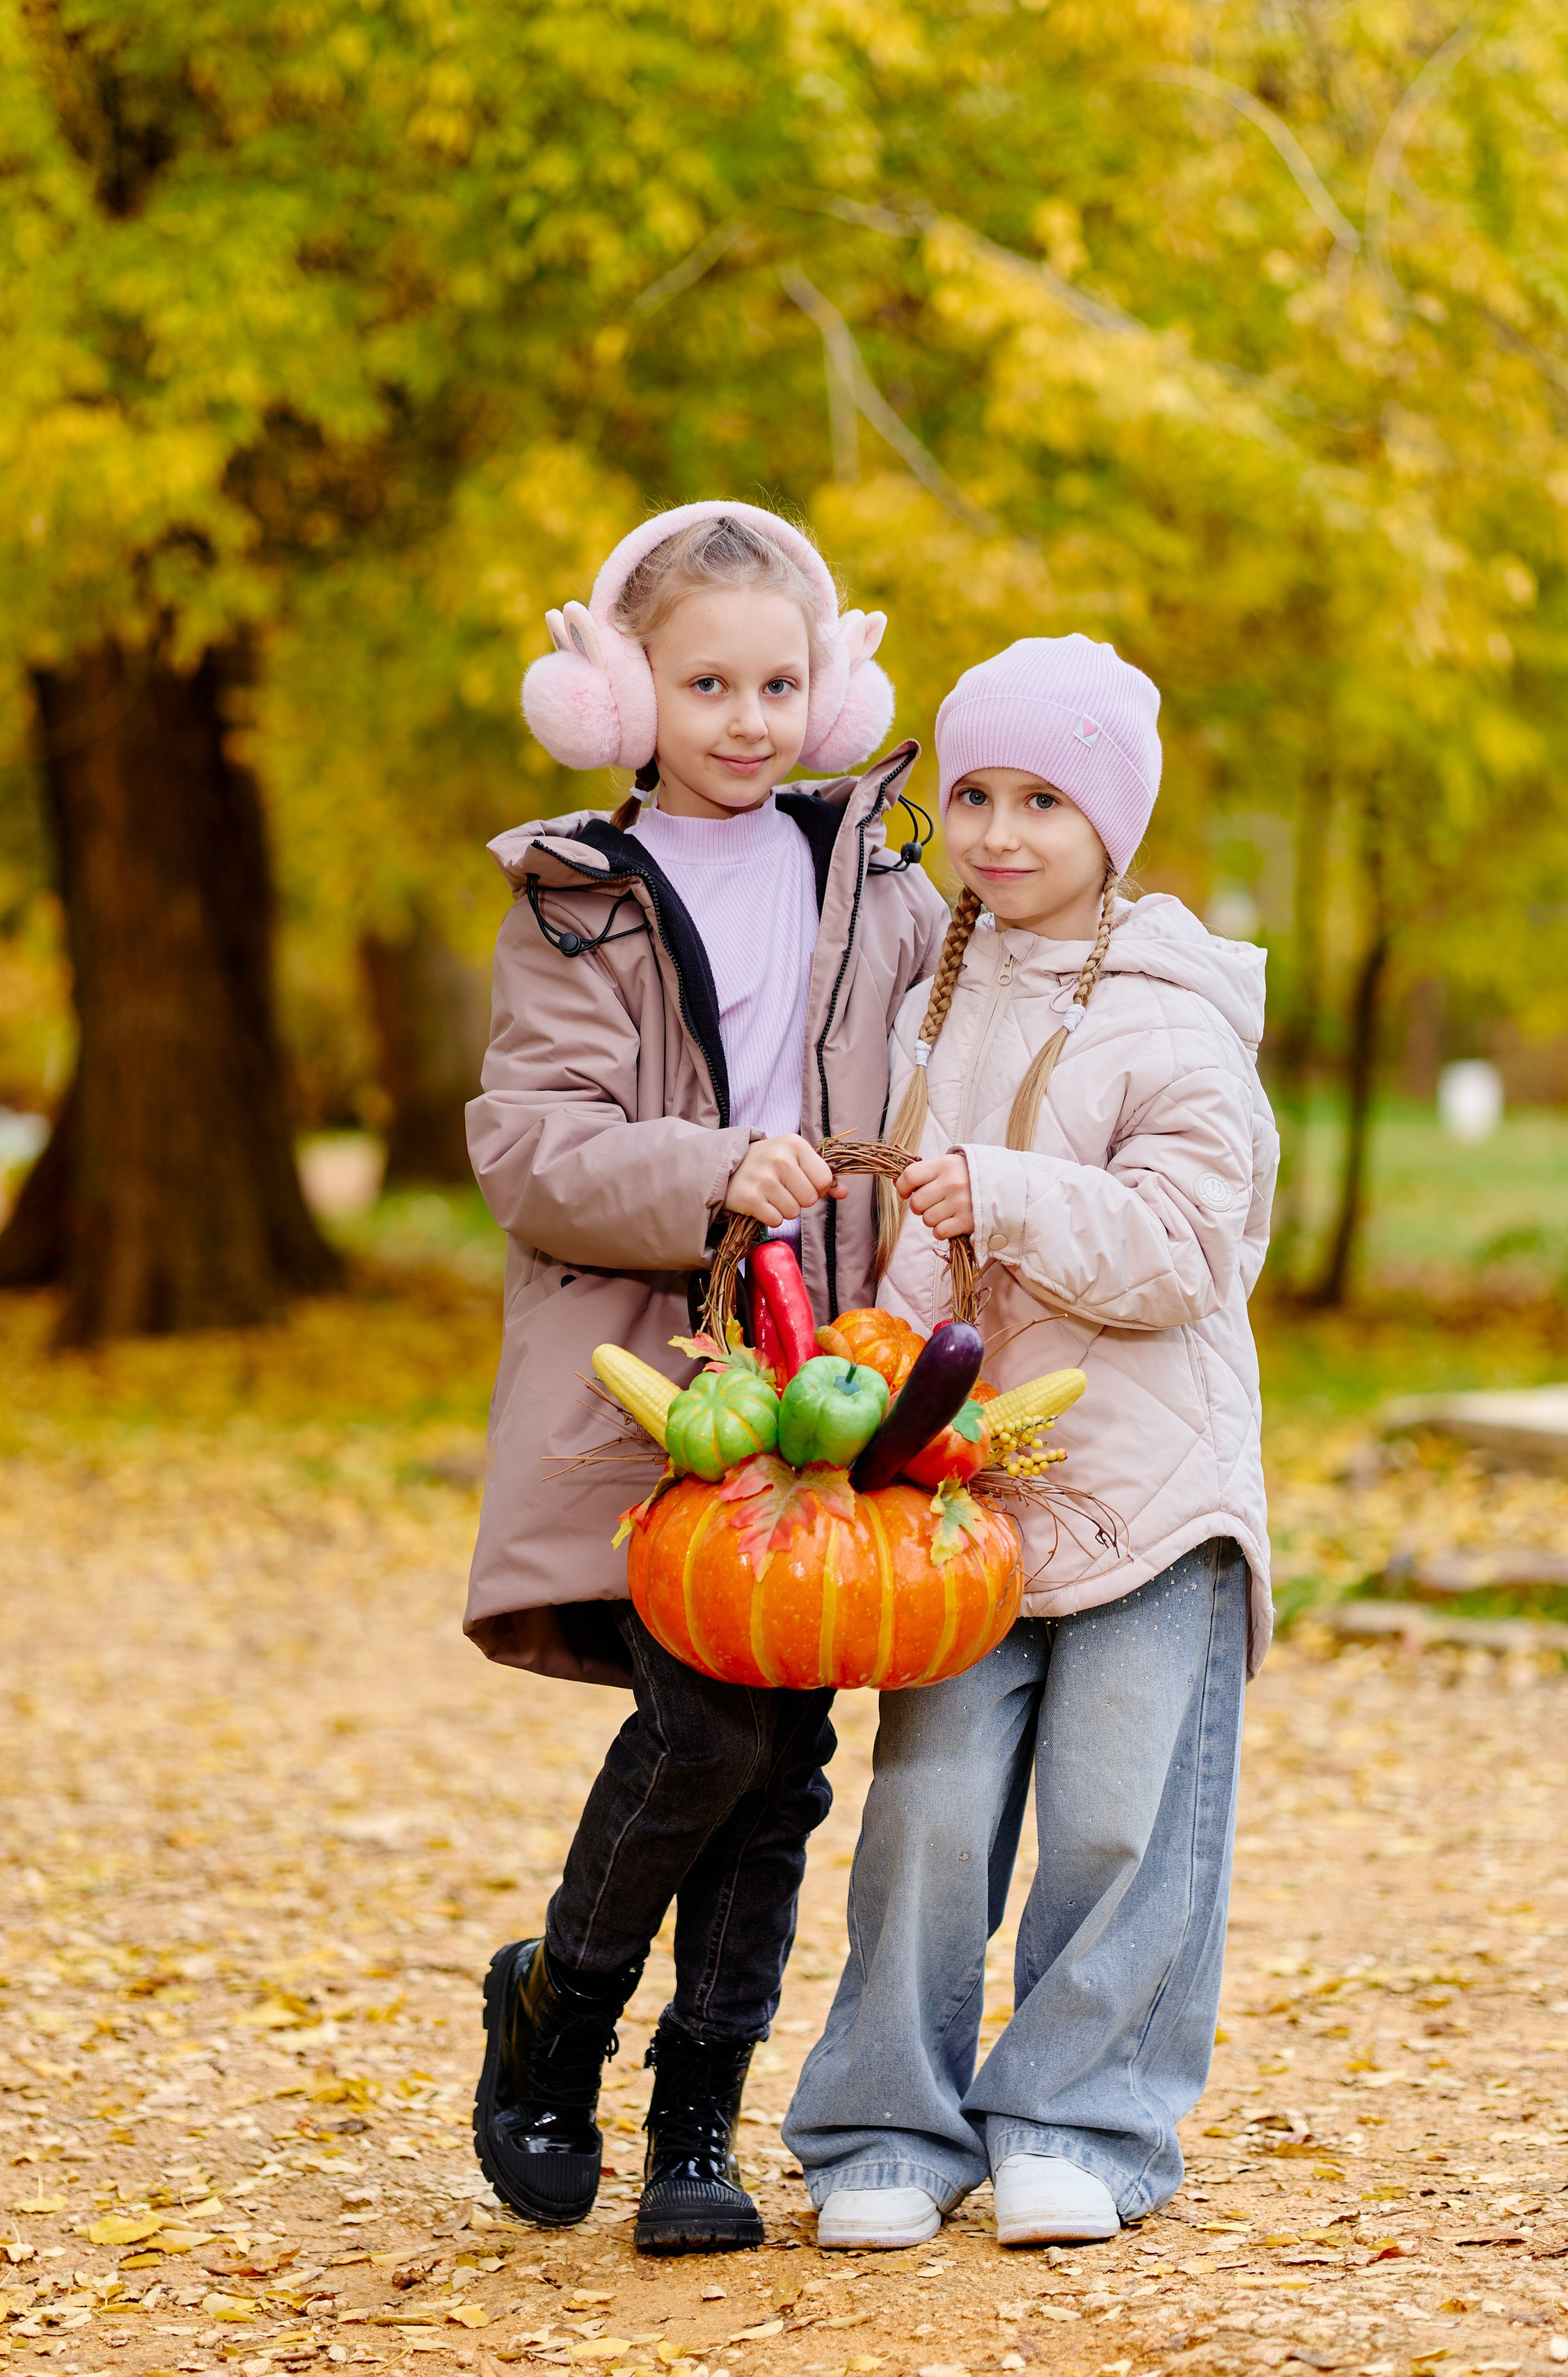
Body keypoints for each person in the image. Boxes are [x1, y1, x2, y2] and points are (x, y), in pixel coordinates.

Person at [464, 503, 944, 2257]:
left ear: (830, 693)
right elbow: (531, 1146)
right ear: (621, 696)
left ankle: (696, 2122)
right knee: (704, 1728)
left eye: (778, 685)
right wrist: (716, 1168)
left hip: (835, 1376)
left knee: (787, 1755)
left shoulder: (879, 887)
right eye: (706, 685)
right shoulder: (573, 904)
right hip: (666, 1373)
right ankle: (558, 2015)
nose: (748, 719)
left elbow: (959, 1059)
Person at [783, 633, 1279, 2251]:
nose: (999, 832)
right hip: (961, 1492)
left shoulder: (1171, 1014)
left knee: (1121, 1815)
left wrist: (1001, 1195)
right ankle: (883, 2124)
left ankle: (1083, 2117)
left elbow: (1187, 1249)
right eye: (974, 795)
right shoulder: (929, 998)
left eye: (1043, 800)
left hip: (1143, 1489)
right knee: (926, 1808)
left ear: (1110, 821)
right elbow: (898, 1255)